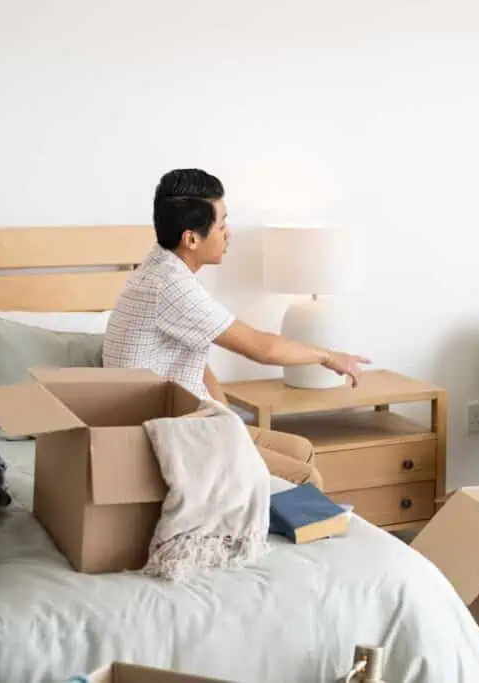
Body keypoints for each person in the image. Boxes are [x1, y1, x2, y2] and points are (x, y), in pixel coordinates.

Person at [103, 168, 370, 485]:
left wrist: (229, 422)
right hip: (165, 436)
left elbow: (197, 364)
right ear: (191, 239)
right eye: (222, 225)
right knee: (305, 478)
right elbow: (262, 348)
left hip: (191, 419)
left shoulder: (159, 262)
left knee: (302, 449)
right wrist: (329, 357)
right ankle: (284, 531)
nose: (228, 234)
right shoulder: (171, 287)